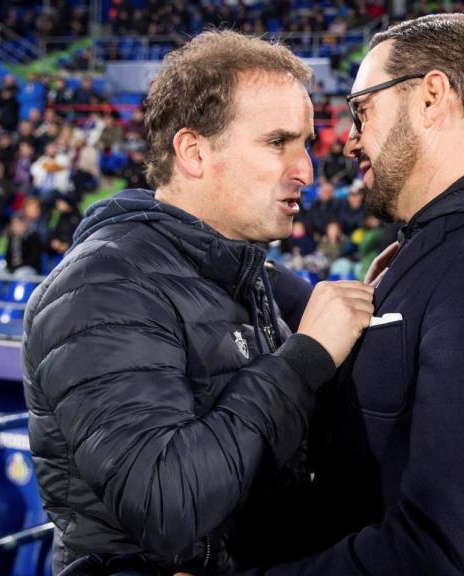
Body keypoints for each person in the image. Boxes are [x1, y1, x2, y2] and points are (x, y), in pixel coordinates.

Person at [242, 14, 464, 575]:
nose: (350, 140)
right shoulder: (452, 247)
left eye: (362, 110)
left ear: (432, 97)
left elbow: (444, 555)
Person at [21, 31, 375, 575]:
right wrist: (303, 360)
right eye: (277, 142)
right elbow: (167, 505)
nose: (305, 170)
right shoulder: (102, 284)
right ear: (193, 152)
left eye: (304, 143)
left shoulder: (245, 276)